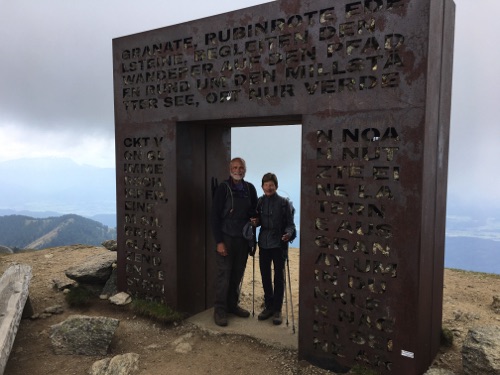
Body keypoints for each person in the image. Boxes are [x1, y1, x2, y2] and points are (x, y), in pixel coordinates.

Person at [211, 157, 259, 327]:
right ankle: (220, 310)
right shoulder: (223, 189)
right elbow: (215, 217)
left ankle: (232, 306)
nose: (238, 170)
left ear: (245, 169)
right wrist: (219, 242)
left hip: (243, 239)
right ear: (230, 169)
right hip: (226, 238)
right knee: (224, 275)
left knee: (237, 274)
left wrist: (256, 220)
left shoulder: (250, 188)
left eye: (241, 167)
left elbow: (254, 212)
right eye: (235, 167)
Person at [255, 173, 296, 325]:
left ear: (276, 186)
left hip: (279, 245)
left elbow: (291, 225)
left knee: (278, 277)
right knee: (265, 276)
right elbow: (258, 222)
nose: (269, 187)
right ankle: (269, 306)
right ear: (262, 187)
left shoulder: (285, 203)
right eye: (266, 184)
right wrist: (255, 222)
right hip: (263, 244)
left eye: (271, 184)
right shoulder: (259, 202)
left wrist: (288, 234)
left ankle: (277, 309)